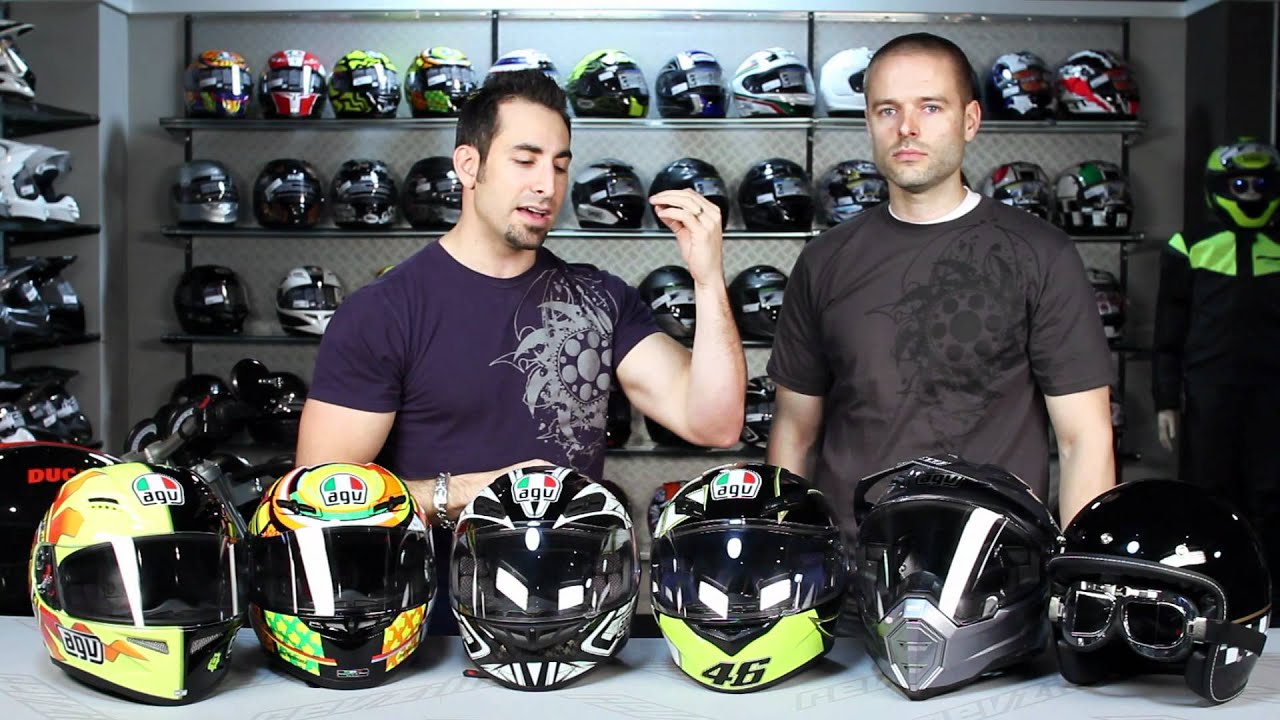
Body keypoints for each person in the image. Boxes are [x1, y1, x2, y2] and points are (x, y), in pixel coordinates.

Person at [294, 69, 746, 624]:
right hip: (434, 624)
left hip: (577, 616)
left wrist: (707, 276)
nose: (547, 185)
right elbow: (316, 500)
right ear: (469, 166)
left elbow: (715, 423)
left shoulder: (599, 299)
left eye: (559, 165)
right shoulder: (383, 311)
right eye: (525, 160)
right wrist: (469, 493)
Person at [767, 33, 1115, 546]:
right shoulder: (825, 260)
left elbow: (1084, 437)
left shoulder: (1040, 254)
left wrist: (1081, 574)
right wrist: (784, 548)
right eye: (888, 110)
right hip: (854, 567)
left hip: (995, 567)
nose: (907, 127)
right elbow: (795, 431)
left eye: (930, 107)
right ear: (868, 122)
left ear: (970, 120)